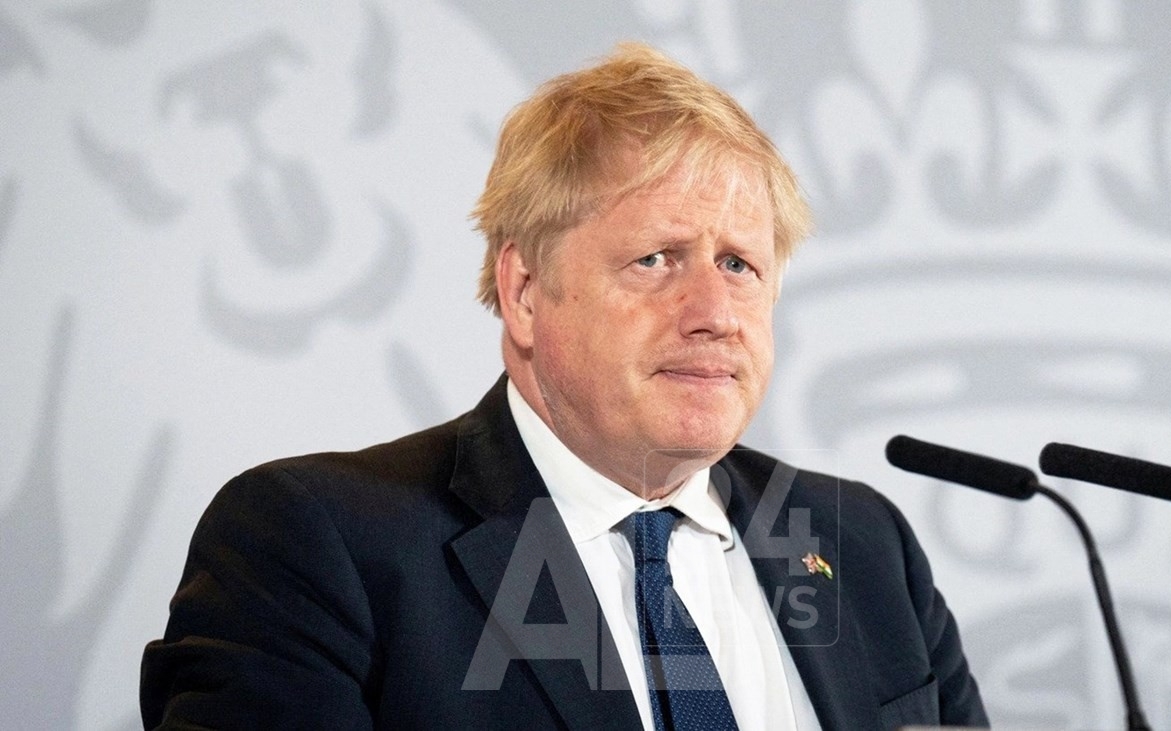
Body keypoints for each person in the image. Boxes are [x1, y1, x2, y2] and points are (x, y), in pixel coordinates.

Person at [140, 42, 988, 730]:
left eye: (739, 264)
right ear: (524, 291)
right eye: (656, 259)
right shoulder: (319, 545)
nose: (714, 314)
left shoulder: (860, 543)